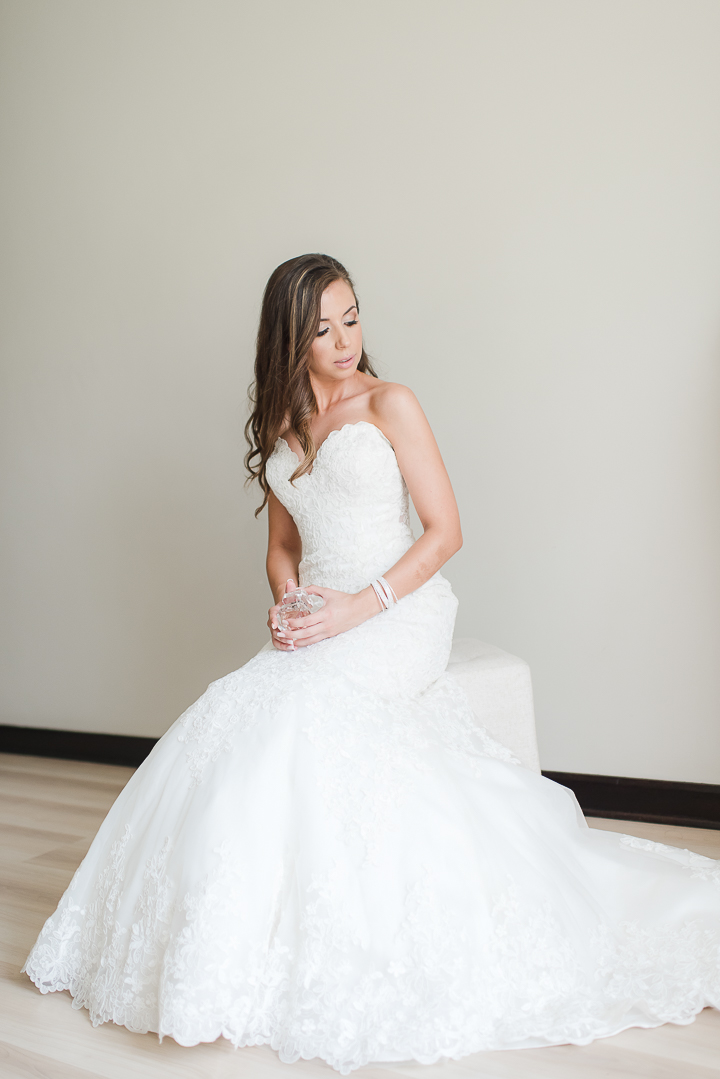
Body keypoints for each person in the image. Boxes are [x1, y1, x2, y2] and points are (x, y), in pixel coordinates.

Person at [24, 254, 720, 1074]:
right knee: (232, 711)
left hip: (398, 608)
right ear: (289, 339)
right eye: (322, 328)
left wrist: (356, 608)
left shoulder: (392, 404)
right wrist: (287, 599)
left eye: (351, 318)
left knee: (297, 711)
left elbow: (446, 531)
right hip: (321, 616)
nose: (345, 340)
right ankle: (232, 946)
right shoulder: (283, 426)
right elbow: (282, 547)